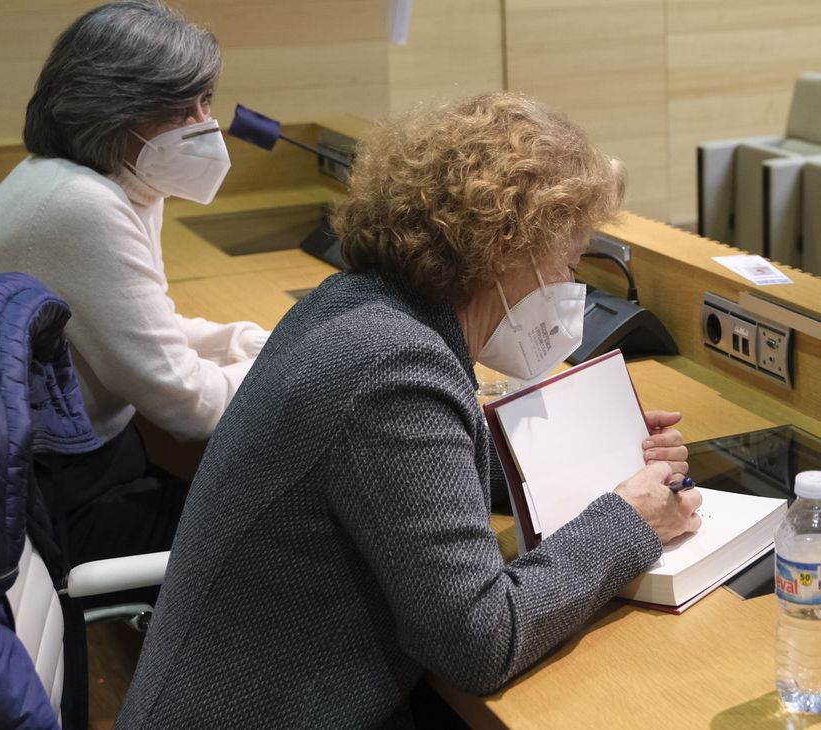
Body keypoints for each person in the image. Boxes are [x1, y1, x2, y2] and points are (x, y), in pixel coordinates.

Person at [117, 93, 702, 728]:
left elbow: (418, 472)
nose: (570, 288)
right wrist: (628, 522)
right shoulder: (395, 367)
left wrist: (595, 457)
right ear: (505, 249)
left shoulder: (354, 305)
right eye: (568, 263)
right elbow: (481, 641)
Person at [0, 0, 265, 564]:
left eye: (205, 100)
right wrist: (288, 371)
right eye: (180, 108)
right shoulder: (81, 205)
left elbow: (150, 326)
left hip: (70, 465)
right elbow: (186, 405)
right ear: (113, 112)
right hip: (47, 498)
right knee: (293, 536)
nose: (203, 125)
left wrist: (248, 343)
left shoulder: (115, 182)